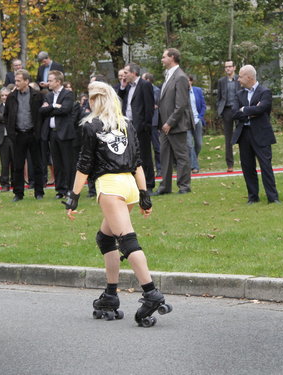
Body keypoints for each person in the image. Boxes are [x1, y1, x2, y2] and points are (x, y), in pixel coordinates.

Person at [64, 81, 172, 326]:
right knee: (105, 238)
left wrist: (73, 196)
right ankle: (111, 295)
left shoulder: (91, 126)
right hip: (129, 186)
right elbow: (137, 163)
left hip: (110, 188)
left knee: (127, 240)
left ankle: (151, 292)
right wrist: (144, 196)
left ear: (94, 101)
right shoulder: (127, 124)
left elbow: (84, 164)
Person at [232, 65, 280, 204]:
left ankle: (273, 197)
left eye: (240, 76)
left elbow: (263, 109)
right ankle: (253, 197)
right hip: (244, 135)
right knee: (247, 167)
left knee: (266, 166)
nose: (238, 79)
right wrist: (252, 111)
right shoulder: (239, 94)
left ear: (249, 77)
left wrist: (244, 109)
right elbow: (234, 113)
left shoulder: (265, 92)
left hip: (261, 134)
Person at [153, 48, 193, 195]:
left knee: (181, 156)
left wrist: (170, 122)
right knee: (164, 156)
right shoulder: (168, 75)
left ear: (172, 57)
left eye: (164, 57)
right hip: (164, 125)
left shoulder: (180, 77)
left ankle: (184, 186)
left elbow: (181, 104)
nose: (162, 59)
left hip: (175, 125)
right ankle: (165, 187)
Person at [4, 69, 45, 201]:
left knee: (37, 164)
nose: (16, 83)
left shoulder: (37, 96)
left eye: (19, 80)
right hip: (18, 135)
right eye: (15, 80)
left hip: (33, 134)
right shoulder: (11, 97)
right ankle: (18, 193)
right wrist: (11, 131)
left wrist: (38, 132)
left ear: (26, 81)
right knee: (18, 165)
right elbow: (6, 115)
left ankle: (39, 192)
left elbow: (41, 115)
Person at [118, 63, 155, 192]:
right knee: (132, 156)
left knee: (145, 157)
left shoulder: (144, 85)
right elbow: (120, 98)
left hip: (141, 127)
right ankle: (136, 184)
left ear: (134, 73)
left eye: (126, 73)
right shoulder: (127, 87)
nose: (124, 76)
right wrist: (122, 86)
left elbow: (149, 107)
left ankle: (148, 184)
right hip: (128, 126)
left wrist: (146, 125)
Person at [40, 70, 76, 199]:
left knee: (68, 162)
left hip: (65, 133)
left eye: (50, 80)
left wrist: (50, 108)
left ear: (58, 82)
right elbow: (42, 111)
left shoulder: (68, 94)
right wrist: (55, 106)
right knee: (57, 163)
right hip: (52, 134)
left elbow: (66, 109)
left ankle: (71, 189)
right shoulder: (49, 96)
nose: (48, 83)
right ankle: (60, 189)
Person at [217, 61, 241, 172]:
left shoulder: (239, 79)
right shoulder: (221, 81)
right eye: (226, 67)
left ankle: (245, 160)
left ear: (234, 67)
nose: (228, 69)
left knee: (242, 135)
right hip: (226, 111)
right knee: (228, 138)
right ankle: (230, 164)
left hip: (238, 110)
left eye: (230, 66)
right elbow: (219, 97)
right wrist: (220, 110)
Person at [0, 87, 14, 191]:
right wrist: (7, 118)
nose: (4, 97)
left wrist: (3, 118)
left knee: (15, 161)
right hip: (3, 138)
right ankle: (5, 184)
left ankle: (16, 182)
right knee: (4, 163)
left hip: (13, 137)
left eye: (6, 95)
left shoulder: (15, 106)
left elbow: (14, 118)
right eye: (2, 95)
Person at [142, 72, 161, 176]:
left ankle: (159, 168)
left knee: (156, 146)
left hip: (153, 122)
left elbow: (153, 104)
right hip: (145, 122)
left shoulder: (155, 90)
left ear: (148, 80)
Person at [187, 75, 206, 174]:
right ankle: (194, 166)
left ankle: (194, 158)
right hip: (186, 122)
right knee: (189, 144)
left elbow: (203, 105)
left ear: (191, 81)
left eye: (188, 81)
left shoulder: (197, 90)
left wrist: (200, 117)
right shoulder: (181, 93)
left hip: (197, 120)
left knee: (198, 143)